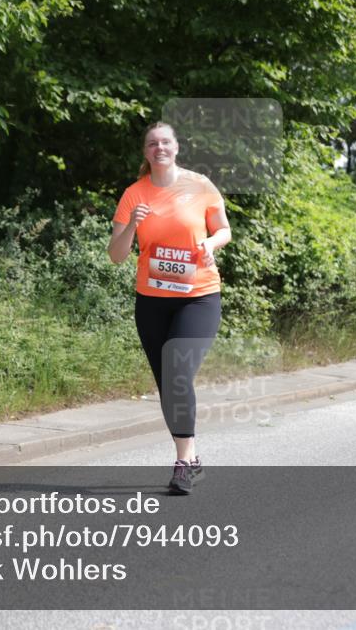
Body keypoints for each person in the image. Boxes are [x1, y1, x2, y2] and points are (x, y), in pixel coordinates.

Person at [108, 122, 231, 494]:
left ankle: (183, 462)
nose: (159, 148)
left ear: (176, 147)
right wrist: (131, 225)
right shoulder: (134, 193)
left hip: (199, 296)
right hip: (151, 302)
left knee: (177, 371)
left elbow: (224, 229)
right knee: (168, 383)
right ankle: (191, 460)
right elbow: (116, 255)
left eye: (165, 142)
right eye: (152, 143)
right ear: (145, 152)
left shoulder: (201, 185)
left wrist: (211, 245)